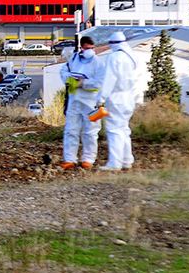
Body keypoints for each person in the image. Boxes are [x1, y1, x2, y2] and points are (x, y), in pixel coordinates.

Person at [96, 31, 140, 172]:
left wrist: (101, 98)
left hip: (116, 98)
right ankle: (127, 160)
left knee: (114, 130)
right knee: (124, 129)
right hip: (129, 98)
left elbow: (109, 79)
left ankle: (115, 163)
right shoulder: (131, 56)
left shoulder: (114, 57)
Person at [59, 36, 104, 171]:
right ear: (81, 47)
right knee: (71, 130)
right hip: (74, 100)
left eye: (91, 48)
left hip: (91, 102)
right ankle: (69, 159)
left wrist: (84, 83)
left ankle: (88, 159)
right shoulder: (74, 59)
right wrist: (71, 80)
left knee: (90, 132)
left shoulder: (98, 63)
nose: (88, 50)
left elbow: (100, 82)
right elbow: (63, 72)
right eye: (86, 48)